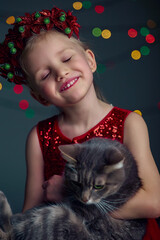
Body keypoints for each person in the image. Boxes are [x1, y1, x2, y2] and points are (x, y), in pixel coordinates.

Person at [0, 6, 160, 239]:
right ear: (39, 97)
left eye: (66, 58)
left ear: (90, 60)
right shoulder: (39, 136)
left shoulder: (129, 123)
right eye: (45, 75)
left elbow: (154, 202)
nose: (61, 72)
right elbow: (32, 212)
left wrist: (67, 192)